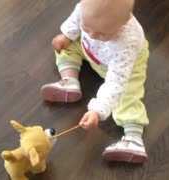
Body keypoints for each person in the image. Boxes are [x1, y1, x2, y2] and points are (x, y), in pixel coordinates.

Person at [41, 0, 149, 163]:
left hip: (124, 67)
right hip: (92, 52)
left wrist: (97, 111)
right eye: (88, 27)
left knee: (127, 94)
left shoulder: (127, 44)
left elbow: (115, 83)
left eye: (102, 34)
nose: (92, 35)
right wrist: (66, 36)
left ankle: (133, 138)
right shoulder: (87, 10)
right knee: (65, 47)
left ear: (125, 21)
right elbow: (76, 18)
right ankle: (69, 80)